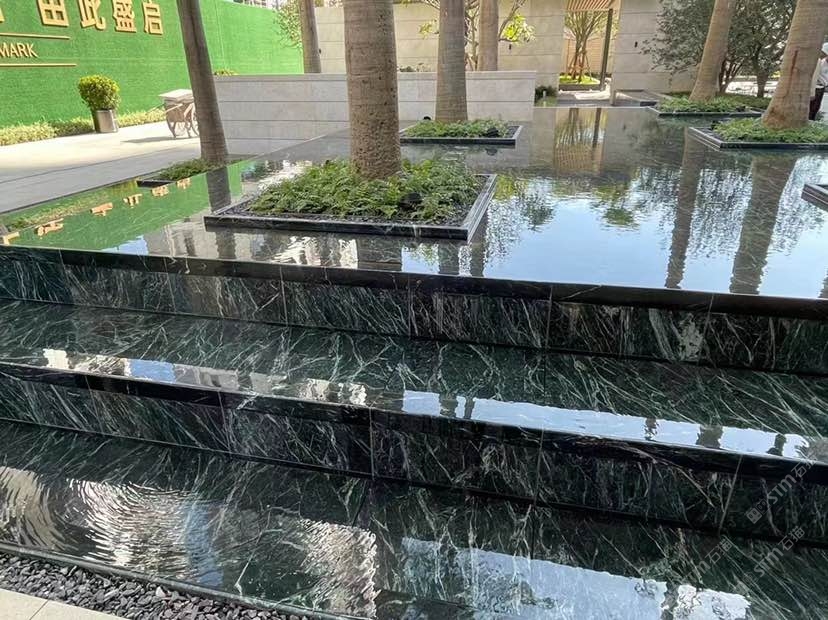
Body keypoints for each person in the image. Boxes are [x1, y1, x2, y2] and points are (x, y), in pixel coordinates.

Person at [809, 42, 828, 121]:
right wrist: (812, 92)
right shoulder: (818, 61)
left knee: (815, 109)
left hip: (821, 88)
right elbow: (814, 77)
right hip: (816, 88)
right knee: (811, 110)